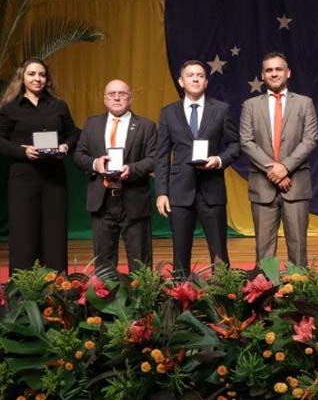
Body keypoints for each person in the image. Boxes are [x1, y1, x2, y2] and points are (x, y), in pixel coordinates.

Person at [154, 60, 240, 277]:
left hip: (212, 189)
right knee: (180, 253)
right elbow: (161, 155)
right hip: (180, 191)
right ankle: (179, 299)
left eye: (200, 75)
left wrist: (219, 160)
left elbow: (235, 145)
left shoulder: (221, 110)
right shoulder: (168, 113)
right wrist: (162, 192)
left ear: (206, 81)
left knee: (219, 252)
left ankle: (224, 298)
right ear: (181, 81)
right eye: (190, 75)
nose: (195, 78)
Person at [0, 57, 78, 273]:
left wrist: (65, 147)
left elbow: (73, 134)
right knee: (24, 234)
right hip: (23, 179)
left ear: (47, 79)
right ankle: (23, 292)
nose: (37, 78)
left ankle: (57, 291)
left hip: (54, 179)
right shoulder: (10, 108)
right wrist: (22, 151)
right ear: (22, 78)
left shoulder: (58, 105)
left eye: (42, 75)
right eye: (32, 74)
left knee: (54, 234)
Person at [239, 52, 318, 267]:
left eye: (278, 69)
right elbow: (246, 141)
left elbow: (310, 140)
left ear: (288, 73)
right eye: (269, 70)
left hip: (296, 186)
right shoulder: (250, 105)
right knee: (264, 252)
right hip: (263, 188)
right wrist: (274, 171)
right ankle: (265, 294)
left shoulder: (304, 103)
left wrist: (285, 167)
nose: (274, 73)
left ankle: (298, 296)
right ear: (263, 75)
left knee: (298, 249)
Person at [73, 79, 158, 272]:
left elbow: (154, 159)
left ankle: (141, 301)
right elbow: (79, 156)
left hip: (134, 200)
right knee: (103, 264)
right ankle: (105, 300)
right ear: (105, 99)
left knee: (140, 264)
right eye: (112, 94)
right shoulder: (92, 124)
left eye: (122, 94)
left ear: (130, 98)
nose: (117, 98)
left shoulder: (146, 126)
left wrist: (132, 169)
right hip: (101, 201)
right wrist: (95, 163)